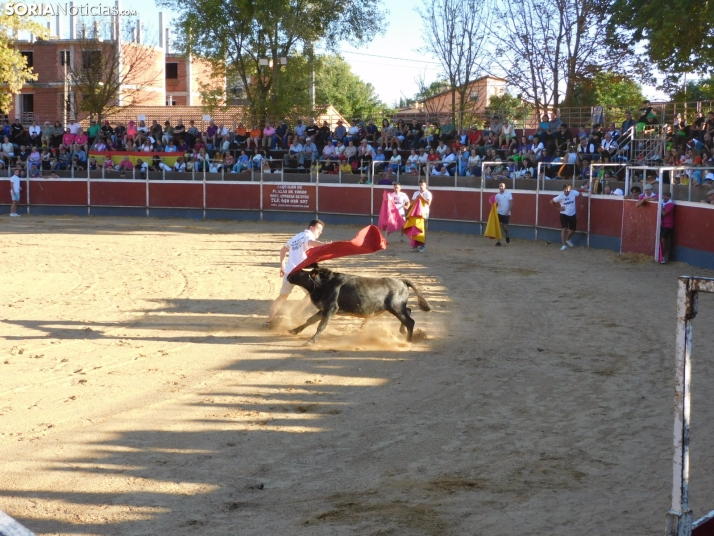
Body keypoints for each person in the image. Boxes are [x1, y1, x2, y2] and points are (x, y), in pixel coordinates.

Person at [266, 219, 328, 327]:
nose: (320, 232)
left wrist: (282, 266)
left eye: (321, 230)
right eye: (318, 228)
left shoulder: (296, 237)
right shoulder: (308, 236)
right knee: (312, 294)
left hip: (289, 272)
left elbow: (283, 250)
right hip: (301, 273)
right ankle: (296, 313)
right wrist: (324, 245)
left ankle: (269, 321)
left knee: (282, 297)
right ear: (311, 228)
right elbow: (311, 242)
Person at [551, 183, 585, 250]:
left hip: (572, 214)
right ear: (563, 189)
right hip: (564, 214)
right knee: (564, 229)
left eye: (568, 189)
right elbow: (551, 201)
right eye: (566, 189)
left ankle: (568, 239)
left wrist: (582, 203)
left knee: (573, 230)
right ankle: (564, 245)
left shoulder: (573, 192)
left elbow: (581, 194)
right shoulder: (560, 196)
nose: (567, 190)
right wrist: (558, 208)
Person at [405, 179, 433, 252]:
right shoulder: (416, 193)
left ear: (426, 186)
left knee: (422, 229)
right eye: (420, 185)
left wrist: (422, 197)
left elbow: (428, 203)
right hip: (416, 213)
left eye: (422, 185)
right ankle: (415, 246)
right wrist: (417, 198)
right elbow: (412, 203)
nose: (421, 186)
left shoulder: (428, 193)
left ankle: (422, 246)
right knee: (415, 229)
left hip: (424, 213)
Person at [494, 182, 513, 246]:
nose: (501, 187)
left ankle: (507, 235)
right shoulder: (497, 195)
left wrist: (508, 211)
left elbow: (511, 203)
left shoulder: (508, 193)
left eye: (502, 186)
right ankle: (498, 241)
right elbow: (495, 204)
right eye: (500, 186)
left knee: (505, 227)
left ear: (504, 187)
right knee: (498, 227)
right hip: (498, 212)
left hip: (505, 213)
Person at [660, 191, 675, 263]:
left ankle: (663, 257)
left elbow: (664, 213)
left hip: (668, 224)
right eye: (664, 196)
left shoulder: (671, 204)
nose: (665, 197)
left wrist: (660, 206)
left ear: (669, 197)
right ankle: (661, 256)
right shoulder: (664, 202)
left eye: (667, 196)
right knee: (662, 240)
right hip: (663, 224)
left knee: (664, 240)